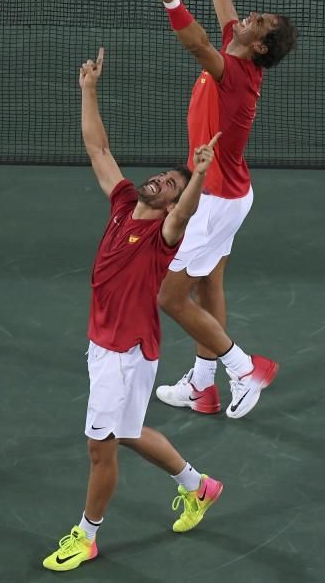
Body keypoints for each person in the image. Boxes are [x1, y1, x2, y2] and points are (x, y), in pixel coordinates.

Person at [43, 48, 222, 572]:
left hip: (124, 352)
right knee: (125, 430)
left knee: (102, 449)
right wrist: (89, 89)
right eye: (166, 178)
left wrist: (199, 179)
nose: (163, 182)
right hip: (112, 344)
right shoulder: (123, 203)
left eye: (171, 185)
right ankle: (199, 486)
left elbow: (186, 211)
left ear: (171, 206)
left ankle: (87, 534)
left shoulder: (163, 233)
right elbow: (97, 147)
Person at [148, 0, 298, 420]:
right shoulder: (241, 51)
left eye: (257, 21)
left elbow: (195, 42)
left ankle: (243, 368)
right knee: (208, 283)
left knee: (169, 297)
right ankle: (201, 386)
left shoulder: (230, 71)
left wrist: (169, 1)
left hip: (212, 200)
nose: (246, 16)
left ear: (259, 46)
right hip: (232, 194)